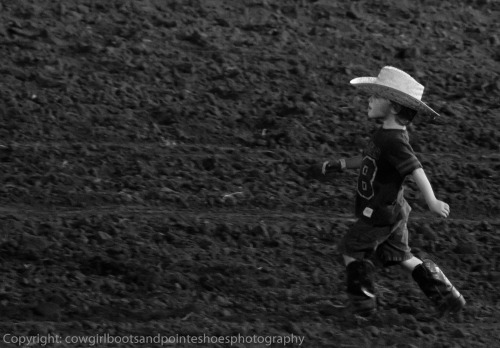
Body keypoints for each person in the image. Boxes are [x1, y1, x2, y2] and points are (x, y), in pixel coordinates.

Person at [309, 66, 466, 317]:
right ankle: (448, 297)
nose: (369, 100)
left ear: (393, 106)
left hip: (381, 211)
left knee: (352, 248)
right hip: (394, 210)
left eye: (376, 96)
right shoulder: (384, 135)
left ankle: (361, 306)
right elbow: (369, 158)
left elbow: (416, 170)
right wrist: (340, 164)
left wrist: (433, 201)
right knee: (400, 256)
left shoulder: (395, 141)